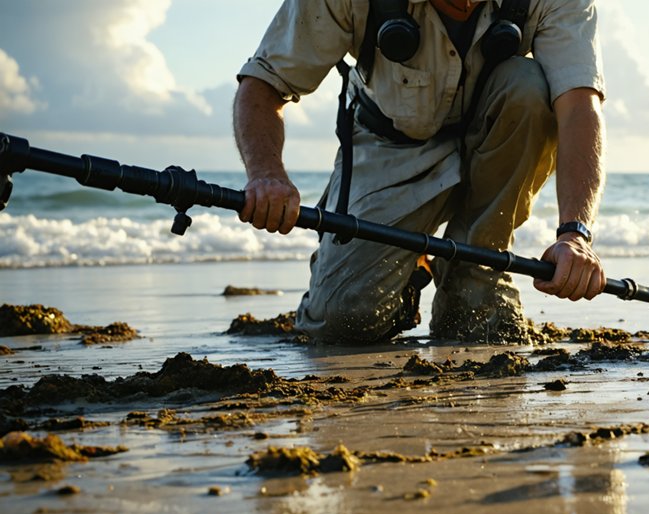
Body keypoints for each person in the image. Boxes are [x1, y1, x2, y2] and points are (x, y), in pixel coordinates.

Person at [233, 0, 606, 344]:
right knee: (343, 321)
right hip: (388, 142)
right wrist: (267, 174)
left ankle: (474, 273)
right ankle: (403, 274)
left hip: (497, 136)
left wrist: (575, 233)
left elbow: (579, 107)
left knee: (530, 86)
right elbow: (264, 83)